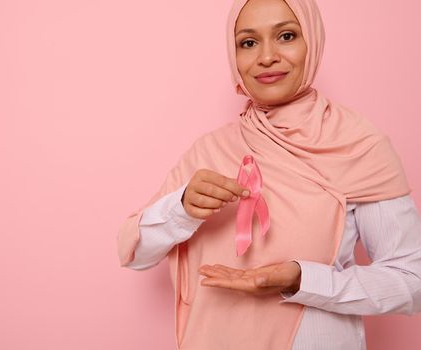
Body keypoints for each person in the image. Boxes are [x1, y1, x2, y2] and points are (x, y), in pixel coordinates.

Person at [117, 0, 421, 348]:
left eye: (286, 36)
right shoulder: (210, 150)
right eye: (248, 42)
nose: (266, 57)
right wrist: (182, 207)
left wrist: (304, 280)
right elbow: (134, 251)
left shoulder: (358, 147)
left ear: (313, 41)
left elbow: (412, 279)